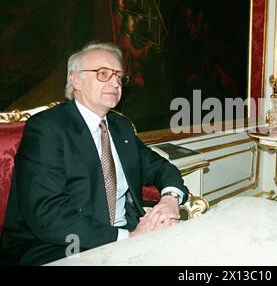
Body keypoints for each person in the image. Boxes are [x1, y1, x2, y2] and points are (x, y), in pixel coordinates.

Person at [0, 42, 189, 265]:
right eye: (103, 74)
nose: (115, 82)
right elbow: (48, 214)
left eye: (119, 76)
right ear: (75, 80)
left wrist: (169, 199)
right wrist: (130, 238)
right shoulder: (47, 128)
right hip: (59, 245)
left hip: (127, 229)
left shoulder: (120, 126)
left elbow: (160, 167)